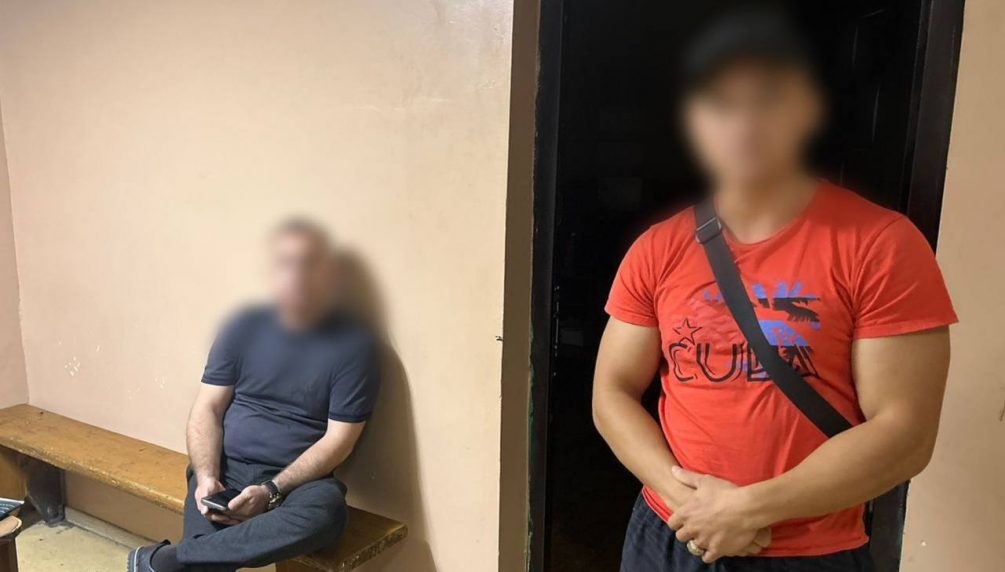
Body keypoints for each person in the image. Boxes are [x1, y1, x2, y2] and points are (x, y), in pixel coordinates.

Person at [593, 10, 957, 572]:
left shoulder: (881, 244)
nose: (744, 124)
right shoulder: (657, 248)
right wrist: (688, 501)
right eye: (720, 104)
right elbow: (612, 390)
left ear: (806, 109)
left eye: (767, 98)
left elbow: (905, 432)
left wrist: (747, 510)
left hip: (809, 551)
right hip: (670, 531)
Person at [128, 219, 380, 572]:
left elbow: (339, 442)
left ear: (328, 272)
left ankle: (166, 561)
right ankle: (178, 561)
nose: (296, 275)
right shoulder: (243, 327)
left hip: (298, 484)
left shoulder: (354, 347)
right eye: (285, 263)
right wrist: (206, 476)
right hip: (226, 468)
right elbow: (207, 408)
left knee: (327, 513)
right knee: (208, 550)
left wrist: (272, 491)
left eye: (308, 263)